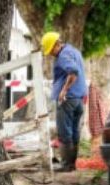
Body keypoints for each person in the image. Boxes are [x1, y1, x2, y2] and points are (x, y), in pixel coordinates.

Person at [41, 32, 88, 172]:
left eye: (51, 50)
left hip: (68, 99)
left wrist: (64, 90)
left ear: (57, 44)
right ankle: (72, 164)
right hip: (79, 99)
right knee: (74, 131)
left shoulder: (62, 56)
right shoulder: (74, 51)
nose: (50, 54)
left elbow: (73, 72)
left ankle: (66, 165)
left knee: (64, 131)